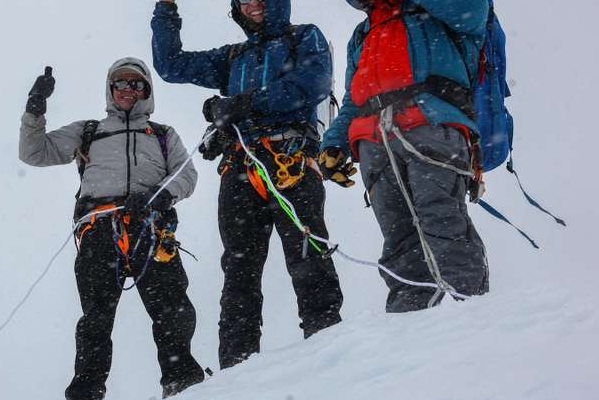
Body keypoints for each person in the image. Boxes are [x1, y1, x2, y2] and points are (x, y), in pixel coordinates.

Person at [152, 0, 344, 369]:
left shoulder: (304, 37)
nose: (253, 4)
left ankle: (328, 351)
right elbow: (171, 66)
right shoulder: (233, 56)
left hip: (291, 163)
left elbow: (312, 83)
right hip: (240, 169)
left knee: (308, 258)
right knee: (239, 271)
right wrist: (166, 9)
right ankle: (237, 368)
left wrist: (242, 104)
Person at [19, 57, 204, 400]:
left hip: (149, 224)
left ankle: (181, 380)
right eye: (121, 84)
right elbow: (34, 152)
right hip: (98, 228)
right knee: (96, 320)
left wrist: (161, 196)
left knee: (171, 305)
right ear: (110, 88)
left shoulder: (164, 135)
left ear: (147, 92)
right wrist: (34, 110)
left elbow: (187, 175)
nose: (128, 91)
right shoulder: (89, 131)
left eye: (137, 85)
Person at [319, 0, 490, 312]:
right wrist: (333, 144)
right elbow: (353, 100)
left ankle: (470, 317)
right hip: (375, 141)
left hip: (432, 124)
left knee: (441, 221)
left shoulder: (437, 12)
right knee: (398, 238)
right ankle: (408, 330)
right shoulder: (362, 33)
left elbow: (473, 12)